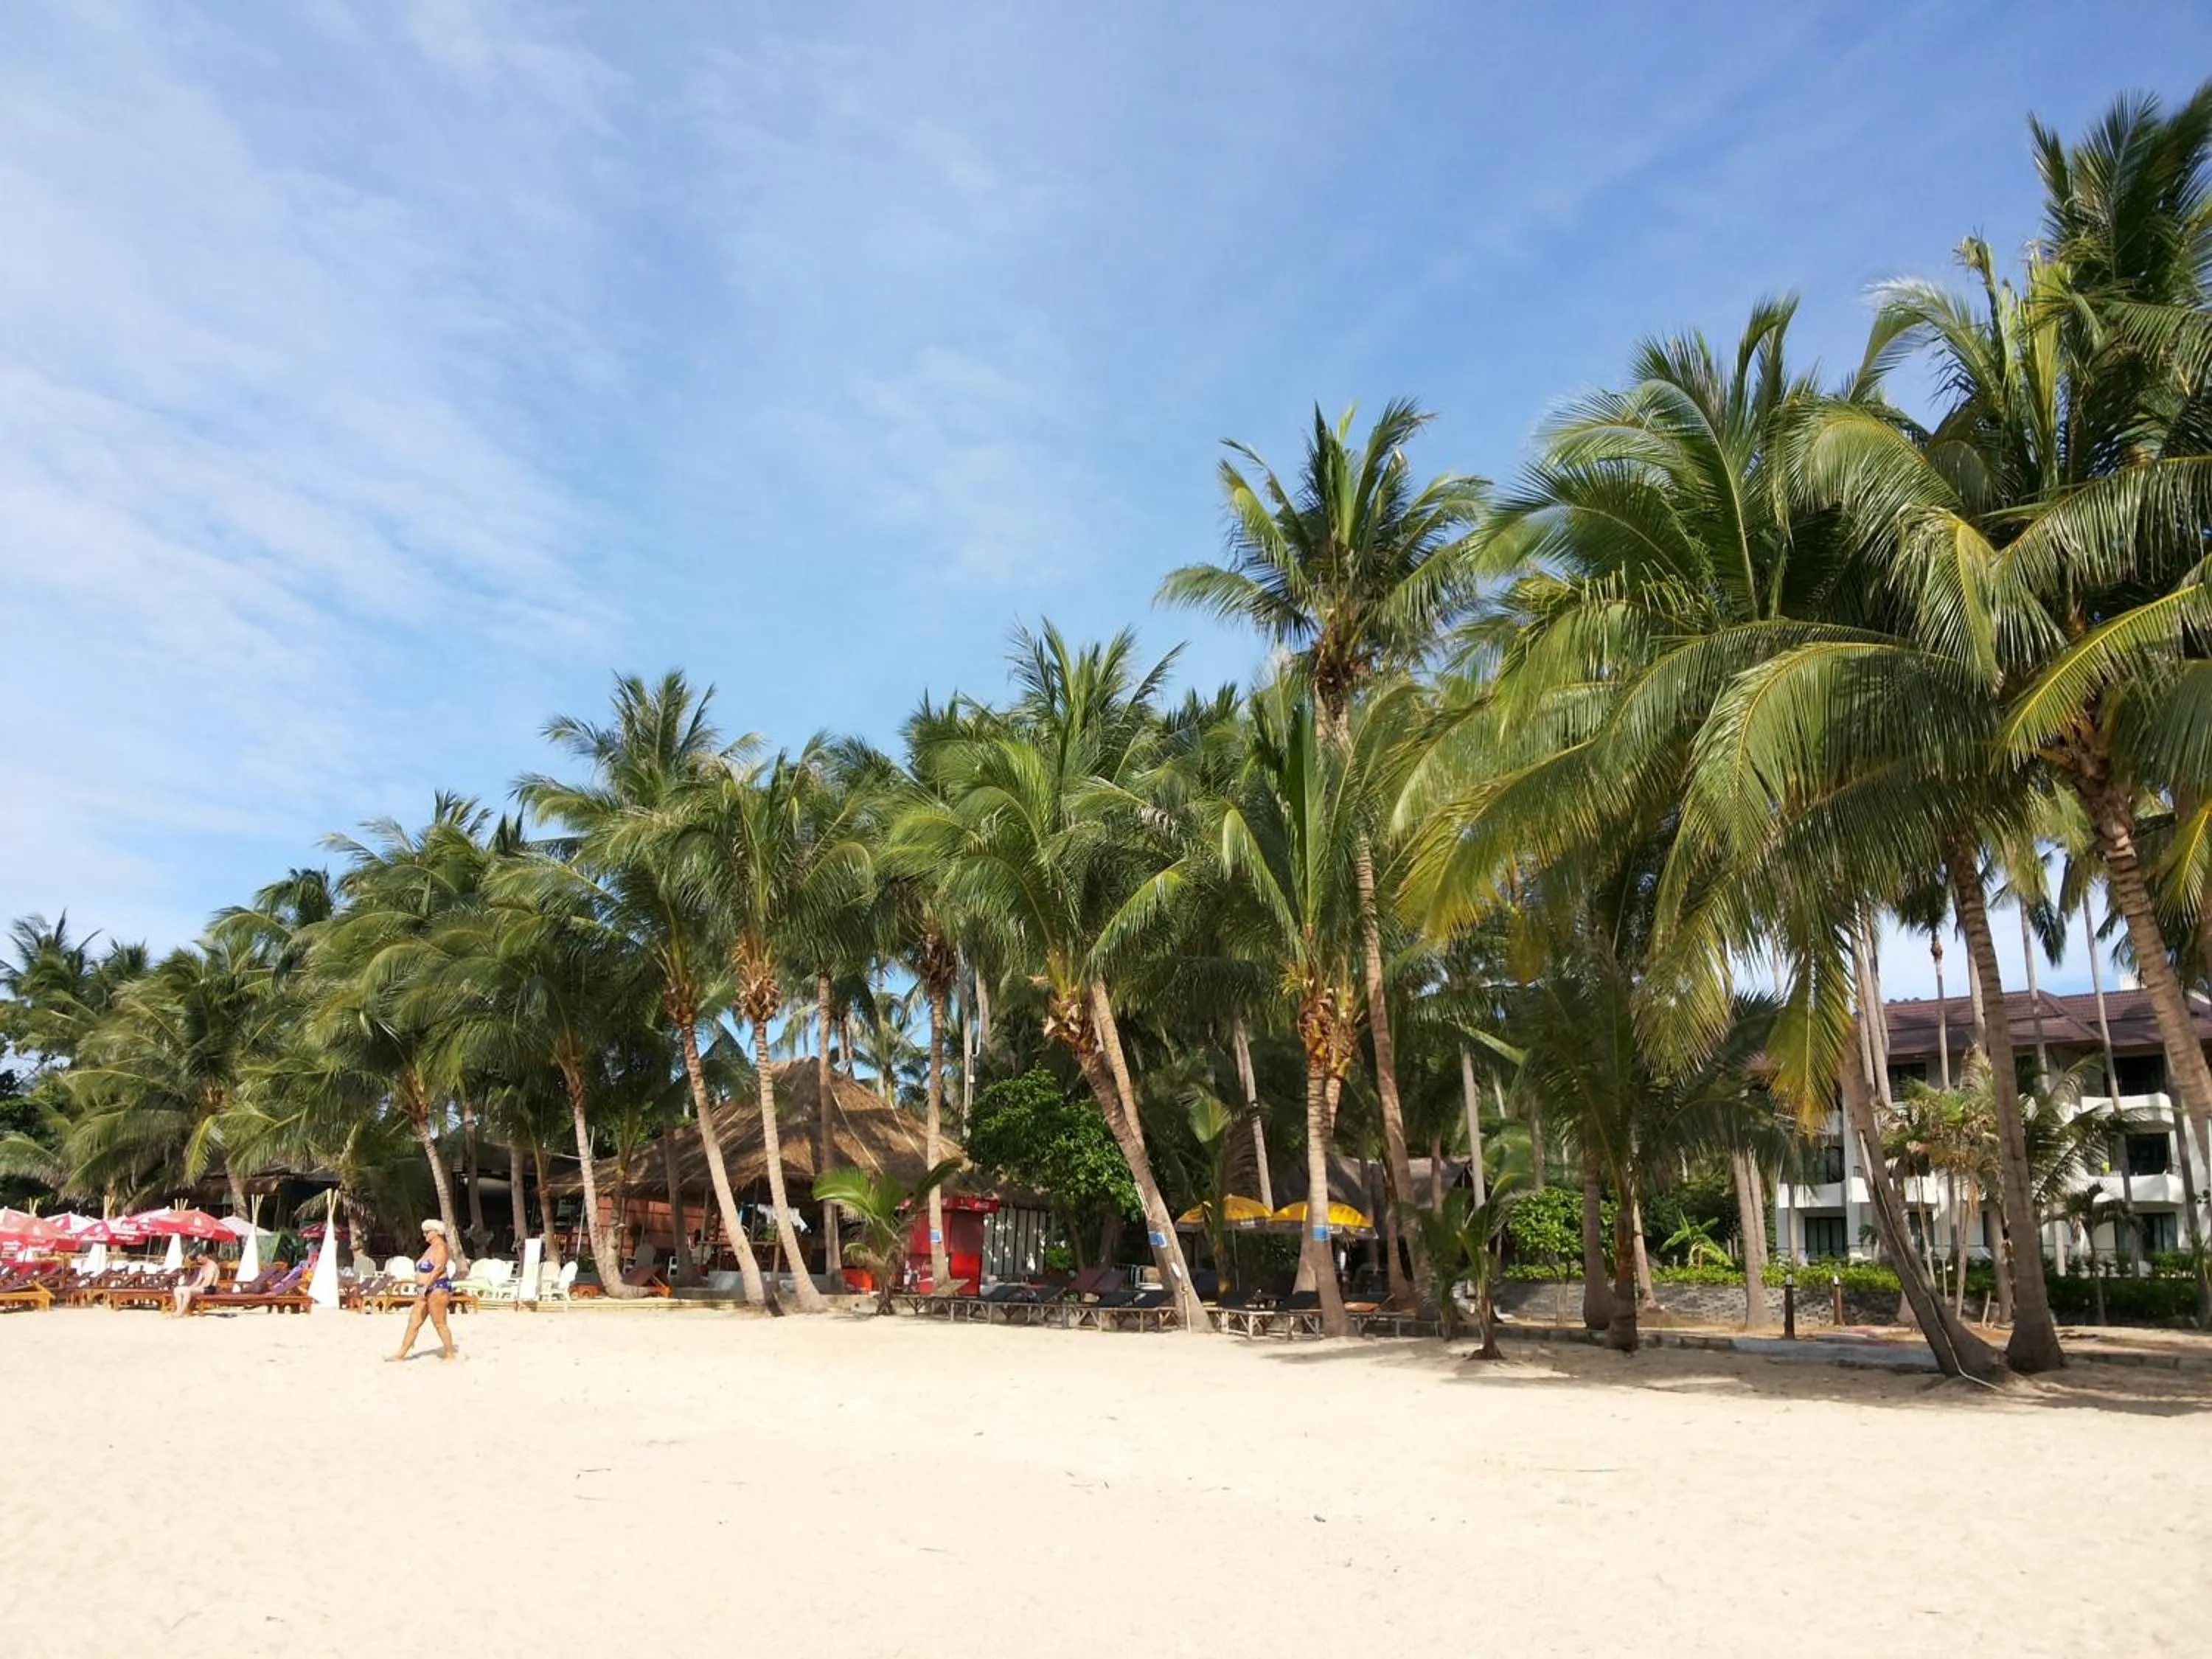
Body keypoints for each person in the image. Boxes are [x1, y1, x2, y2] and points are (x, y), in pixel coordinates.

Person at [387, 1219, 459, 1362]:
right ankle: (401, 1353)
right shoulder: (430, 1247)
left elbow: (439, 1268)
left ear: (436, 1232)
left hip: (437, 1288)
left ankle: (450, 1353)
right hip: (424, 1290)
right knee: (414, 1322)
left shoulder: (441, 1247)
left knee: (439, 1323)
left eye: (427, 1231)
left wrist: (427, 1285)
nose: (424, 1234)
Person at [171, 1252, 219, 1317]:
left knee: (187, 1291)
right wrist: (192, 1286)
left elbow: (209, 1282)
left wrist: (197, 1288)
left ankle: (182, 1312)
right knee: (177, 1290)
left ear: (205, 1257)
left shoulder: (212, 1266)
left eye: (200, 1259)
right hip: (202, 1287)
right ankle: (179, 1310)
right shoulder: (203, 1266)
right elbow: (199, 1280)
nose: (199, 1261)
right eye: (198, 1260)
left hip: (209, 1289)